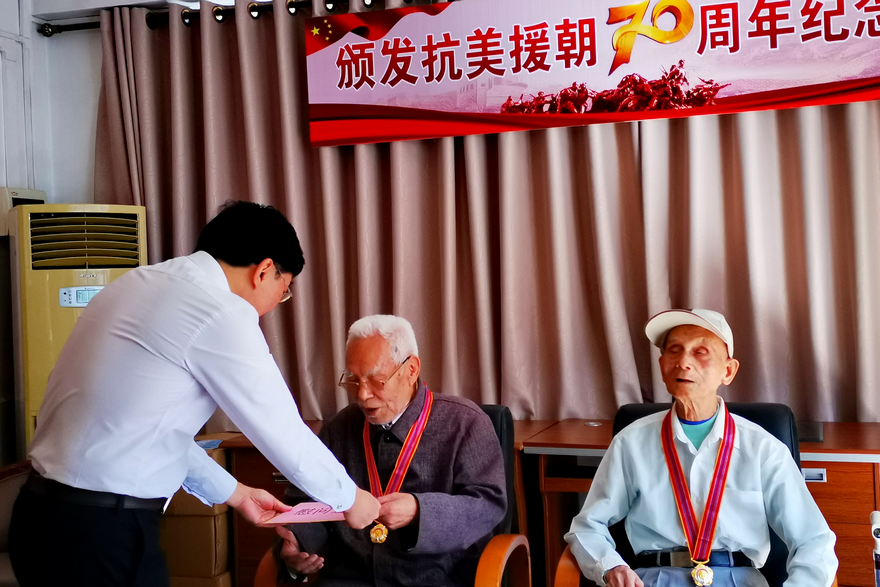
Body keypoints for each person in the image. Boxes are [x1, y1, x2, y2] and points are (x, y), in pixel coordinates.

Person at [10, 201, 380, 587]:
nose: (276, 304)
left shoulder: (137, 283)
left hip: (40, 516)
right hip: (100, 535)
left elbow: (144, 431)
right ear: (264, 271)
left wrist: (235, 493)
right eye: (283, 290)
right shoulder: (220, 311)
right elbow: (282, 432)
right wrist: (350, 499)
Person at [565, 309, 838, 587]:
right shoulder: (630, 442)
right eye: (674, 350)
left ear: (728, 371)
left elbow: (813, 540)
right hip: (654, 579)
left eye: (700, 352)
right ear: (662, 364)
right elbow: (587, 527)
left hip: (738, 579)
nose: (683, 362)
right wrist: (611, 567)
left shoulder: (764, 448)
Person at [274, 314, 507, 586]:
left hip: (436, 578)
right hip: (352, 578)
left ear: (411, 370)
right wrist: (297, 543)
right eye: (354, 380)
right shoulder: (338, 429)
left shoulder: (466, 423)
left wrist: (419, 511)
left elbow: (487, 505)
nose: (362, 395)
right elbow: (305, 501)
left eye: (376, 380)